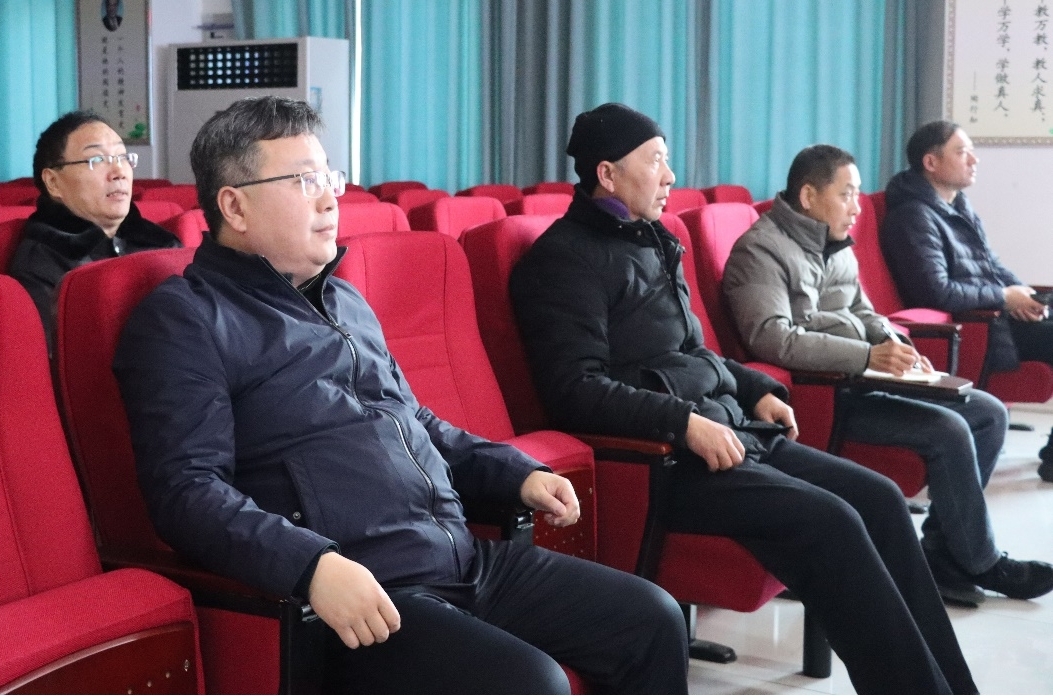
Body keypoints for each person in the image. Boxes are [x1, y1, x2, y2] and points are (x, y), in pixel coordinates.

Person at [111, 96, 688, 694]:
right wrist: (312, 566)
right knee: (531, 683)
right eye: (304, 181)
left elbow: (416, 424)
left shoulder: (344, 300)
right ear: (234, 205)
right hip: (362, 590)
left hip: (456, 555)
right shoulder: (186, 319)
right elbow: (186, 492)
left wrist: (513, 472)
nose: (329, 199)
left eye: (329, 178)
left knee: (651, 619)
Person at [510, 103, 977, 695]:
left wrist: (757, 389)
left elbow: (691, 351)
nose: (670, 175)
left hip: (728, 430)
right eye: (655, 161)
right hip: (666, 461)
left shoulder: (653, 239)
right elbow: (574, 392)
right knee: (832, 521)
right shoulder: (562, 261)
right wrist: (683, 423)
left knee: (879, 499)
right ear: (607, 174)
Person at [722, 143, 1053, 608]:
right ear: (809, 196)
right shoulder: (761, 249)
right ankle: (982, 562)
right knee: (950, 430)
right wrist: (867, 355)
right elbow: (771, 339)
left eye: (858, 195)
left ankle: (945, 552)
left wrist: (896, 344)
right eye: (846, 195)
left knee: (988, 412)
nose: (857, 207)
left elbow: (864, 311)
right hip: (825, 397)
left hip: (865, 381)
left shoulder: (835, 244)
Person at [880, 120, 1053, 482]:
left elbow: (991, 265)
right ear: (931, 162)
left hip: (995, 313)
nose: (974, 160)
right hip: (979, 328)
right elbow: (936, 291)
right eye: (962, 152)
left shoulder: (958, 205)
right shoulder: (913, 215)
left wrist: (1026, 294)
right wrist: (1004, 297)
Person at [8, 111, 180, 351]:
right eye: (97, 160)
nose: (119, 172)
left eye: (122, 157)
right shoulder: (40, 263)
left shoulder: (162, 242)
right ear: (53, 182)